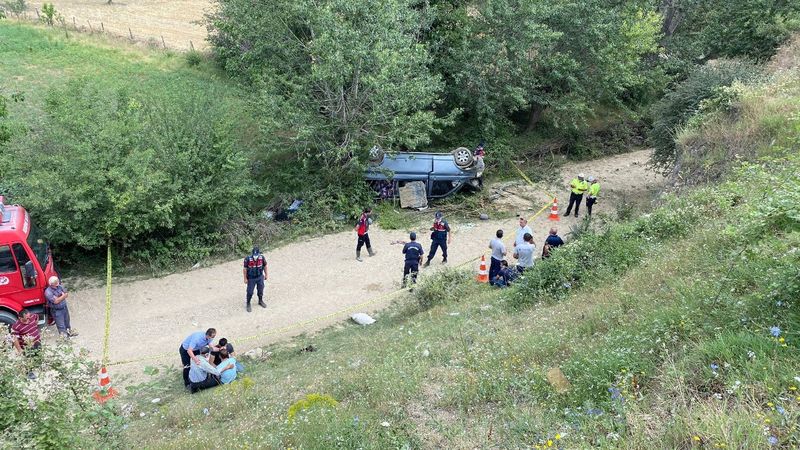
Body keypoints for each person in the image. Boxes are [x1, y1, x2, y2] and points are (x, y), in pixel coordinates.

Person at [243, 246, 268, 312]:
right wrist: (245, 278)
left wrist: (266, 274)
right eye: (254, 255)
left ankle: (260, 301)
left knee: (261, 289)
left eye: (256, 255)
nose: (255, 256)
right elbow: (245, 269)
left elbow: (265, 266)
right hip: (251, 278)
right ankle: (248, 303)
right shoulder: (247, 259)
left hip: (260, 277)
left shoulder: (262, 258)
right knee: (250, 292)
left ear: (259, 254)